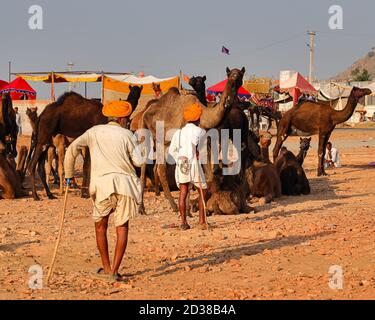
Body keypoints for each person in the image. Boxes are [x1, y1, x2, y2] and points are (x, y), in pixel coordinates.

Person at [64, 100, 143, 283]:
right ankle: (114, 271)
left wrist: (69, 175)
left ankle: (106, 268)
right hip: (125, 186)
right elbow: (138, 162)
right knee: (121, 227)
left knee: (101, 226)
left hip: (102, 187)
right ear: (122, 118)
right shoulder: (127, 135)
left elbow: (72, 149)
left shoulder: (94, 132)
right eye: (127, 118)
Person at [169, 103, 208, 230]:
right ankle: (202, 221)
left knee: (183, 191)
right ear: (198, 119)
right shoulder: (201, 131)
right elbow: (202, 151)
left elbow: (171, 151)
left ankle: (183, 222)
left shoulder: (178, 133)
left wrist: (180, 159)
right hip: (194, 163)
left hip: (182, 162)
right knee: (202, 190)